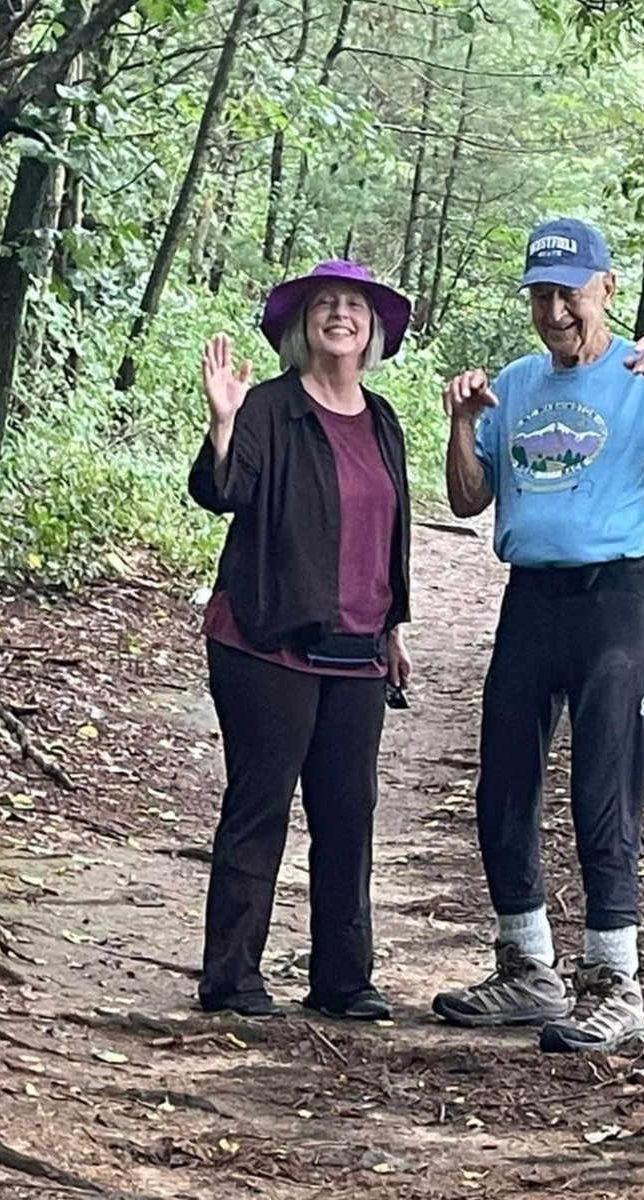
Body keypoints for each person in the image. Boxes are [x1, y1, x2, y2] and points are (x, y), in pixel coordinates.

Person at [432, 218, 644, 1053]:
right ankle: (526, 968)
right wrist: (463, 423)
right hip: (532, 598)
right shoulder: (515, 382)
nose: (554, 311)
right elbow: (469, 501)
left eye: (569, 294)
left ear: (605, 288)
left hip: (622, 597)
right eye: (541, 296)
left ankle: (616, 984)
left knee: (603, 784)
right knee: (503, 780)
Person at [188, 259, 413, 1020]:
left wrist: (392, 627)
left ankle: (343, 981)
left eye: (353, 305)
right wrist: (222, 424)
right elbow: (224, 490)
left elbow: (390, 535)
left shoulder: (383, 420)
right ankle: (231, 980)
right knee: (262, 803)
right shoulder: (268, 410)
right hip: (264, 639)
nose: (339, 315)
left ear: (371, 329)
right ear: (301, 325)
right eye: (324, 305)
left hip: (357, 651)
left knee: (348, 810)